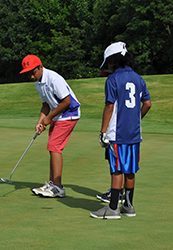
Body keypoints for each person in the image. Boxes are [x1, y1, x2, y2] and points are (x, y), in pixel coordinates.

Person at [90, 42, 151, 219]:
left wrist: (102, 132)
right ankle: (129, 207)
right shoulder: (139, 79)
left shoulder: (113, 79)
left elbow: (109, 106)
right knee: (130, 170)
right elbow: (147, 104)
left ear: (113, 61)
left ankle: (113, 208)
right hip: (134, 133)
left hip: (117, 134)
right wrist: (136, 119)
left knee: (117, 170)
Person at [19, 55, 80, 197]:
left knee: (54, 147)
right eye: (28, 74)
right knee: (52, 148)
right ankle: (52, 184)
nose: (31, 76)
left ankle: (58, 187)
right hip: (58, 115)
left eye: (33, 72)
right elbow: (46, 104)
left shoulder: (53, 78)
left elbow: (66, 102)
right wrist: (40, 121)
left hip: (69, 113)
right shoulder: (38, 83)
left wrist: (49, 118)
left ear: (40, 67)